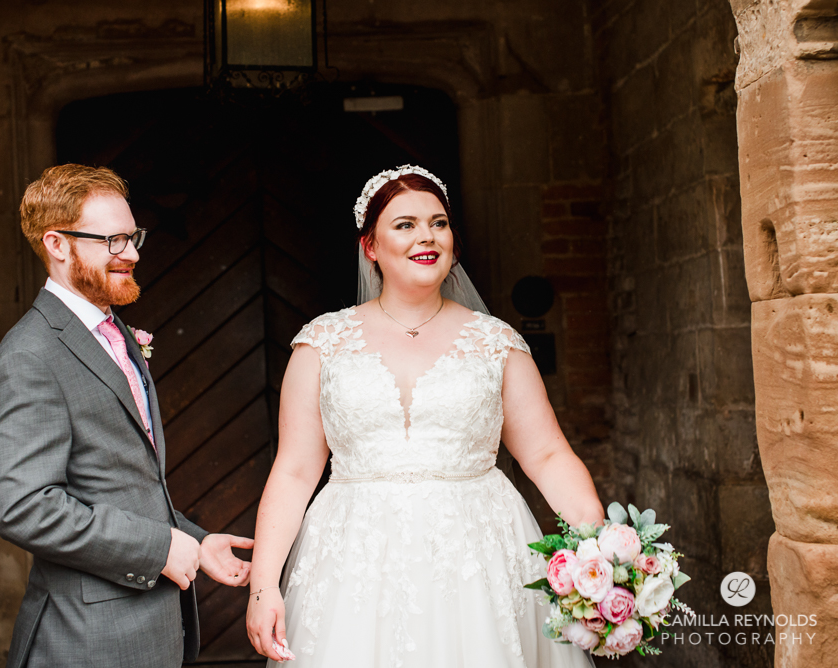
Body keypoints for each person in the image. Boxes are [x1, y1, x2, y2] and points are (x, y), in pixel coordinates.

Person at [245, 166, 604, 667]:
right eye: (405, 224)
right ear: (370, 246)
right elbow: (295, 469)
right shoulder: (322, 344)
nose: (427, 236)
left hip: (480, 553)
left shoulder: (496, 342)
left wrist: (600, 554)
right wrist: (263, 585)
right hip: (355, 559)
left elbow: (546, 455)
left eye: (438, 222)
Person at [0, 164, 253, 668]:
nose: (131, 254)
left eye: (133, 238)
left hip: (146, 634)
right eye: (112, 241)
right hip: (88, 641)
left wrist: (197, 543)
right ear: (58, 245)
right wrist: (158, 549)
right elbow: (22, 506)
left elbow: (118, 483)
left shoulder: (114, 332)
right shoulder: (30, 354)